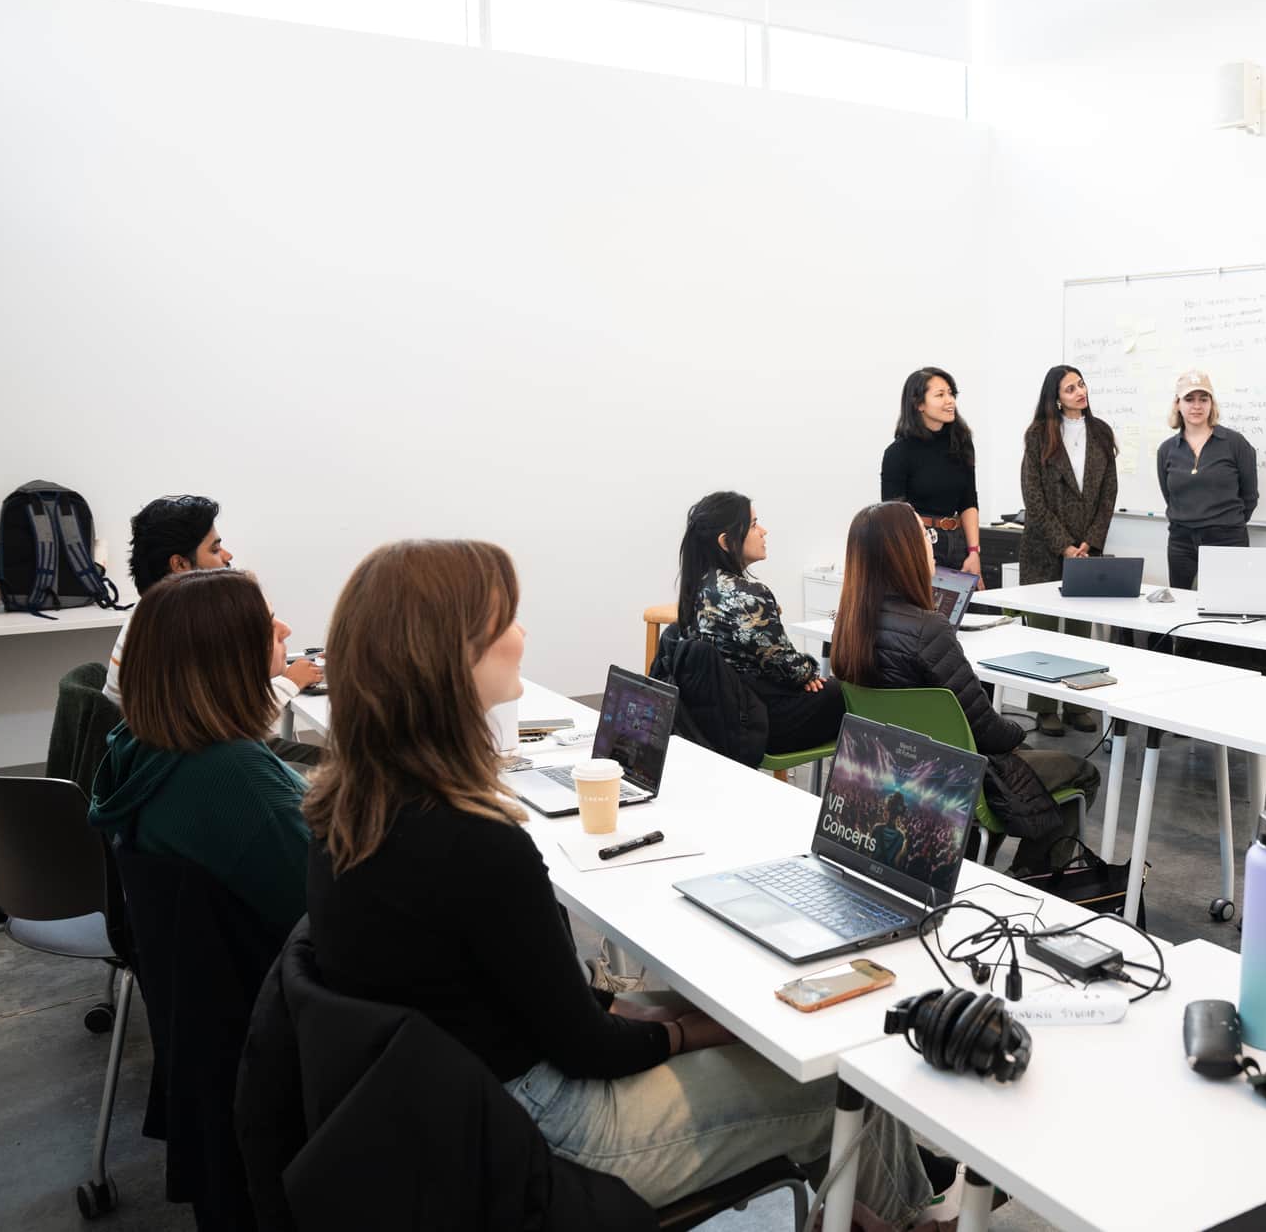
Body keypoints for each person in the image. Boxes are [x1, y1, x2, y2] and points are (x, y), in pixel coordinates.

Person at [299, 540, 940, 1225]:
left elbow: (513, 988)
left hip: (451, 1108)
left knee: (708, 1007)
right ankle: (916, 1220)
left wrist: (637, 1011)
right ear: (453, 659)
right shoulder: (478, 845)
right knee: (844, 1088)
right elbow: (586, 1050)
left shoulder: (347, 809)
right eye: (506, 622)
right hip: (545, 1128)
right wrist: (700, 1031)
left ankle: (880, 1213)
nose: (523, 636)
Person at [829, 502, 1099, 874]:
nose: (931, 542)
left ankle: (977, 866)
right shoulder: (929, 629)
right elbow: (986, 729)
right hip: (953, 777)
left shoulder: (849, 624)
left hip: (893, 772)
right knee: (1082, 771)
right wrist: (1017, 736)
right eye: (926, 534)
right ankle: (1031, 883)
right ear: (904, 549)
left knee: (1026, 762)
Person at [87, 568, 311, 939]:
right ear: (228, 653)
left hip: (205, 976)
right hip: (286, 977)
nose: (285, 630)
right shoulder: (238, 779)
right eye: (269, 621)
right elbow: (324, 908)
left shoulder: (140, 744)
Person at [103, 494, 323, 766]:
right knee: (350, 770)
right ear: (180, 564)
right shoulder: (178, 632)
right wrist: (290, 681)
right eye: (215, 549)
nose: (228, 557)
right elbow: (231, 719)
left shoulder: (152, 618)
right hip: (199, 762)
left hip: (170, 764)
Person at [680, 492, 845, 754]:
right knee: (841, 692)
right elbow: (789, 666)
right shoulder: (747, 594)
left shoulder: (699, 585)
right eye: (755, 525)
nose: (764, 532)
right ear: (726, 542)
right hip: (758, 721)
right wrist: (809, 672)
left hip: (718, 714)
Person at [1017, 365, 1118, 736]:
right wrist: (1064, 545)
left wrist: (1089, 541)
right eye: (1070, 387)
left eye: (1081, 384)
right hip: (1045, 548)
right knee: (1043, 633)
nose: (1080, 391)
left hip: (1086, 548)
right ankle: (1044, 708)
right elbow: (1033, 497)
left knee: (1078, 630)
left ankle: (1077, 703)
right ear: (1055, 397)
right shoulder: (1038, 435)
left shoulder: (1101, 432)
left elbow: (1109, 493)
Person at [1155, 370, 1258, 590]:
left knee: (1229, 606)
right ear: (1177, 404)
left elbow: (1249, 496)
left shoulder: (1234, 443)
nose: (1197, 406)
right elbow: (1170, 496)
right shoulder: (1167, 450)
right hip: (1181, 543)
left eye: (1204, 399)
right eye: (1189, 399)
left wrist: (1223, 524)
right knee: (1183, 609)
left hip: (1227, 541)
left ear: (1212, 403)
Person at [880, 367, 982, 575]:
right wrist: (921, 551)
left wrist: (974, 552)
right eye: (940, 395)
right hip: (919, 543)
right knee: (928, 606)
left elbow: (969, 501)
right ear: (919, 404)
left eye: (951, 393)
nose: (950, 401)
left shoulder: (961, 443)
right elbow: (895, 514)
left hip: (958, 541)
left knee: (967, 605)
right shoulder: (898, 452)